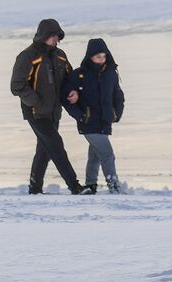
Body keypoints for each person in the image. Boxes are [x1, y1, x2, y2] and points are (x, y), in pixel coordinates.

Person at [10, 19, 85, 195]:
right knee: (56, 146)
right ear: (43, 35)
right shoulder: (28, 56)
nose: (55, 40)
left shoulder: (60, 55)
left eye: (58, 36)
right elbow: (16, 86)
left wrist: (74, 91)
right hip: (35, 112)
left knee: (44, 150)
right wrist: (36, 101)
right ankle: (75, 186)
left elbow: (69, 78)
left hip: (54, 112)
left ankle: (34, 189)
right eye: (52, 36)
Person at [63, 38, 125, 194]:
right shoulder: (79, 74)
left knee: (95, 156)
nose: (101, 60)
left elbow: (118, 95)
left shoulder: (110, 73)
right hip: (88, 122)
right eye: (98, 57)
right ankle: (114, 186)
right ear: (90, 56)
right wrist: (81, 116)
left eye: (103, 56)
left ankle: (91, 185)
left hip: (105, 121)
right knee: (107, 154)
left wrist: (116, 114)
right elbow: (66, 98)